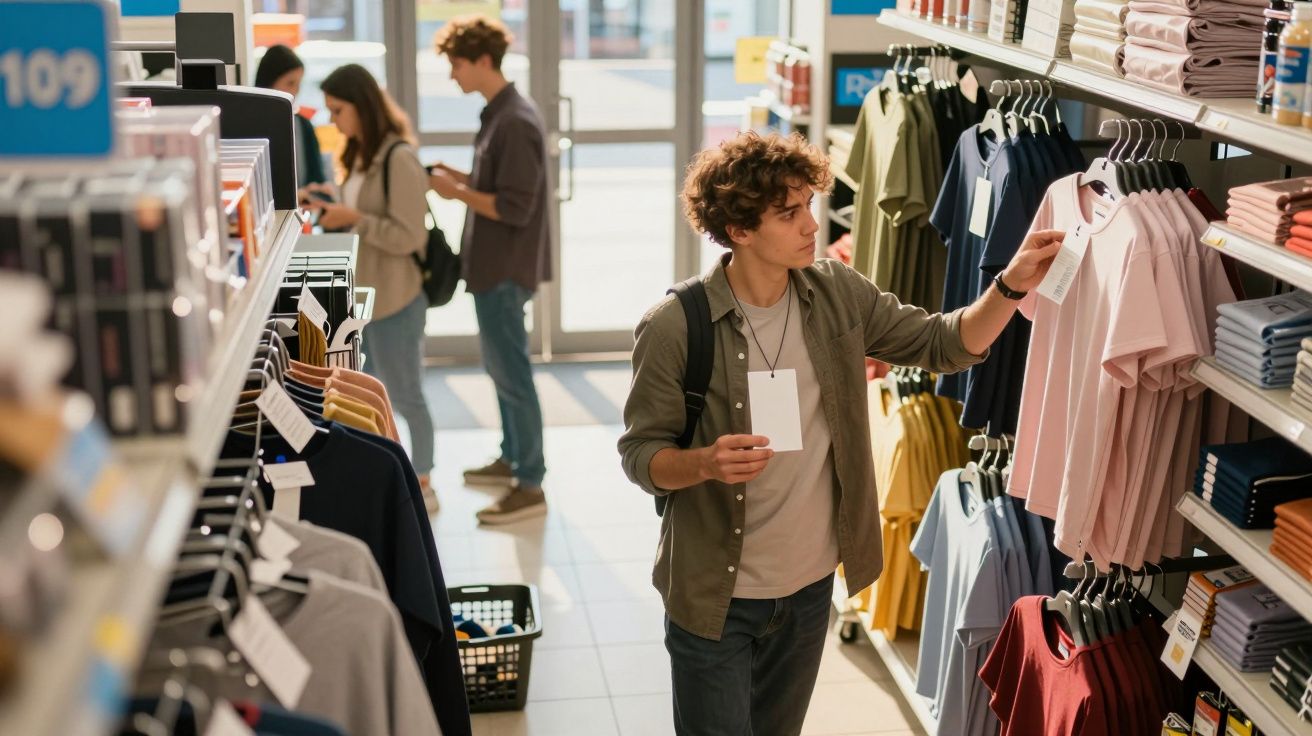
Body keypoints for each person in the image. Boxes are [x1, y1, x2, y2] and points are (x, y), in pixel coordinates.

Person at [617, 131, 1063, 735]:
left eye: (808, 205)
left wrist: (1010, 283)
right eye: (789, 213)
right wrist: (703, 463)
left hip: (807, 591)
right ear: (740, 230)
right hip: (712, 594)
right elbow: (641, 455)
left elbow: (943, 343)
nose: (811, 224)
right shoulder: (677, 324)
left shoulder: (833, 292)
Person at [428, 15, 551, 526]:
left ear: (482, 60)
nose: (452, 75)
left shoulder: (515, 121)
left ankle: (529, 482)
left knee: (512, 373)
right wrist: (457, 177)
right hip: (492, 268)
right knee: (501, 371)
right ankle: (512, 457)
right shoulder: (498, 115)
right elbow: (494, 183)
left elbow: (514, 207)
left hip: (504, 269)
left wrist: (456, 192)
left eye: (456, 65)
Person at [306, 64, 438, 514]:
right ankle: (393, 475)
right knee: (373, 393)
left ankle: (424, 480)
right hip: (369, 299)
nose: (333, 120)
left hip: (397, 299)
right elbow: (360, 207)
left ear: (362, 107)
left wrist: (354, 220)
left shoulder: (398, 157)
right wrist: (330, 201)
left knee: (406, 395)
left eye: (337, 110)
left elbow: (409, 237)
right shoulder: (360, 153)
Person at [254, 44, 328, 188]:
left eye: (299, 84)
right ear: (269, 84)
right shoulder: (251, 126)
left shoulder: (304, 125)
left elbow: (317, 177)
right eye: (290, 83)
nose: (295, 91)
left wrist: (315, 190)